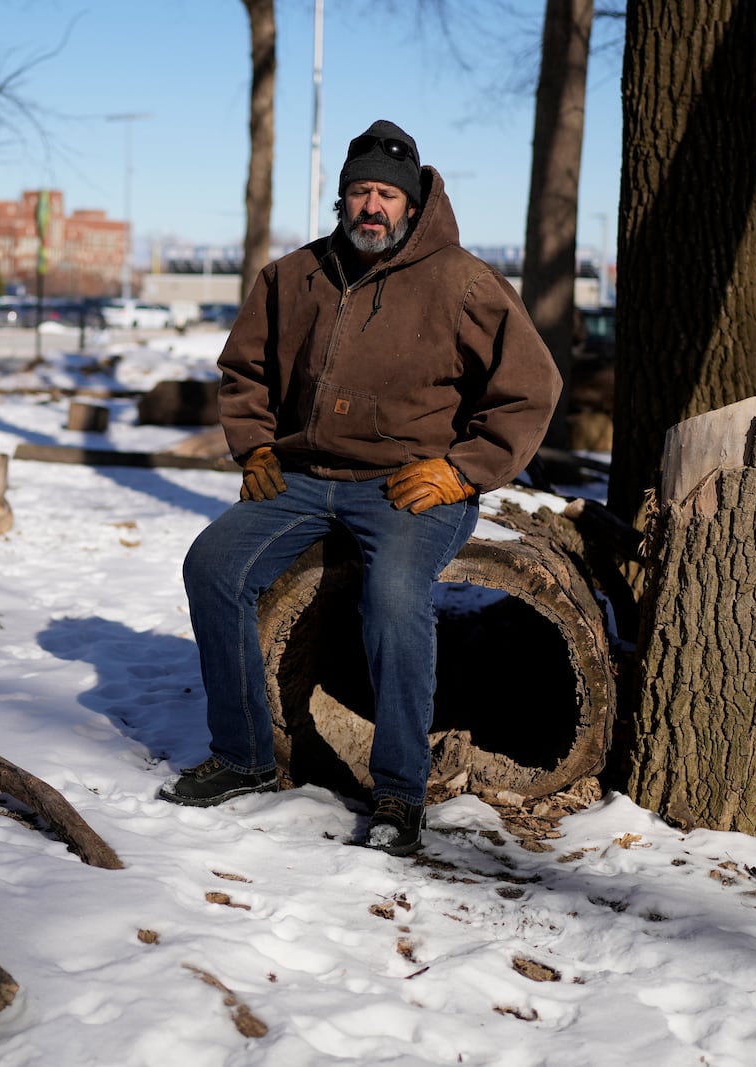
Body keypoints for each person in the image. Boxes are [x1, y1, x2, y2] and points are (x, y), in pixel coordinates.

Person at [158, 119, 562, 856]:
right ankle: (245, 756)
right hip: (304, 477)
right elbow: (243, 372)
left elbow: (530, 387)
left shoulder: (463, 281)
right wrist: (252, 448)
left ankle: (400, 793)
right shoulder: (292, 276)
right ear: (342, 198)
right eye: (359, 191)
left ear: (411, 202)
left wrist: (463, 469)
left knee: (395, 598)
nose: (371, 205)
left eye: (385, 193)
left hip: (412, 486)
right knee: (211, 565)